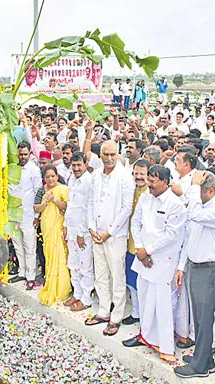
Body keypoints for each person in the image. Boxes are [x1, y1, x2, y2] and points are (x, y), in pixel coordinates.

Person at [122, 165, 187, 362]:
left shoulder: (176, 205)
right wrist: (141, 249)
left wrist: (147, 250)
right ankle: (145, 336)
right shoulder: (145, 198)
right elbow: (136, 223)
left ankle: (166, 345)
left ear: (165, 182)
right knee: (144, 297)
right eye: (148, 180)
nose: (149, 184)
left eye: (153, 181)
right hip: (144, 257)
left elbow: (172, 235)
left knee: (163, 303)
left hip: (163, 260)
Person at [174, 171, 215, 378]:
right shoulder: (204, 205)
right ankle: (204, 358)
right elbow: (190, 236)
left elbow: (194, 214)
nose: (198, 195)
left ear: (211, 191)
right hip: (198, 267)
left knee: (205, 319)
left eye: (201, 191)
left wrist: (193, 187)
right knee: (199, 318)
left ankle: (200, 366)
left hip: (211, 268)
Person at [84, 141, 135, 336]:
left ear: (118, 154)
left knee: (117, 277)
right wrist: (91, 227)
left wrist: (109, 232)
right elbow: (90, 203)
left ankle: (116, 316)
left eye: (113, 154)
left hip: (115, 237)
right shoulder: (96, 175)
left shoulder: (124, 177)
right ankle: (104, 311)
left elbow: (126, 210)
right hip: (97, 234)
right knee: (101, 275)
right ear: (101, 155)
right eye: (105, 154)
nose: (109, 158)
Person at [8, 142, 42, 289]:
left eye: (25, 154)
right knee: (17, 243)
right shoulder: (12, 168)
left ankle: (31, 276)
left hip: (28, 214)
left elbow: (38, 193)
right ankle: (21, 271)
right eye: (20, 154)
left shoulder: (34, 170)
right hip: (13, 213)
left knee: (30, 247)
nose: (22, 157)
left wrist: (37, 215)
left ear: (29, 154)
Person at [63, 152, 94, 311]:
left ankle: (86, 298)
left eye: (78, 165)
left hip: (83, 233)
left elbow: (88, 209)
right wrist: (66, 225)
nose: (75, 168)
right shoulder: (72, 179)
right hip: (72, 228)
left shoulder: (89, 181)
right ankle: (77, 293)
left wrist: (82, 233)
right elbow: (71, 205)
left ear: (85, 164)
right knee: (73, 264)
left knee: (85, 265)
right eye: (73, 165)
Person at [34, 165, 70, 303]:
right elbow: (36, 207)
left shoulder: (63, 189)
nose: (50, 179)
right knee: (49, 256)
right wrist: (45, 202)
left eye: (52, 176)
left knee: (60, 255)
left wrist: (54, 200)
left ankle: (62, 288)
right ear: (44, 179)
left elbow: (67, 206)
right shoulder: (42, 190)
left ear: (57, 176)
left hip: (58, 227)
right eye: (47, 177)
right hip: (46, 227)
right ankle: (51, 284)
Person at [123, 158, 152, 326]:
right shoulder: (131, 189)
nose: (139, 177)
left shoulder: (151, 193)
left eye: (142, 174)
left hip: (144, 247)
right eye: (136, 174)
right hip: (130, 244)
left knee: (143, 284)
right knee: (132, 282)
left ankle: (146, 317)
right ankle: (136, 312)